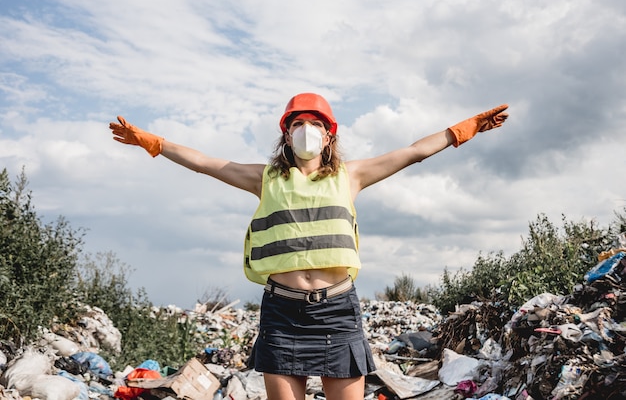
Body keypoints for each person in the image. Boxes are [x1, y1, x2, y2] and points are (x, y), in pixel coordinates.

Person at [109, 92, 509, 400]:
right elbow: (204, 162)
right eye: (297, 122)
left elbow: (412, 152)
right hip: (282, 314)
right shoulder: (264, 178)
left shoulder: (351, 177)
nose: (306, 128)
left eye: (314, 122)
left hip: (337, 311)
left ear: (328, 133)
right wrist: (153, 142)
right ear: (286, 133)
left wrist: (463, 129)